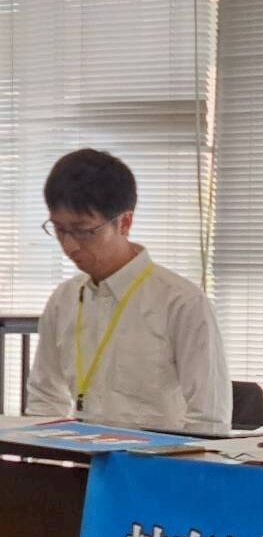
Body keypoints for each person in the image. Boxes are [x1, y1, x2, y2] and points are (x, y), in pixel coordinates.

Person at [26, 148, 231, 435]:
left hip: (157, 459)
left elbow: (209, 419)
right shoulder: (64, 300)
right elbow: (45, 400)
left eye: (83, 230)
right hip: (77, 457)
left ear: (124, 222)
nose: (70, 245)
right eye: (60, 229)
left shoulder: (182, 302)